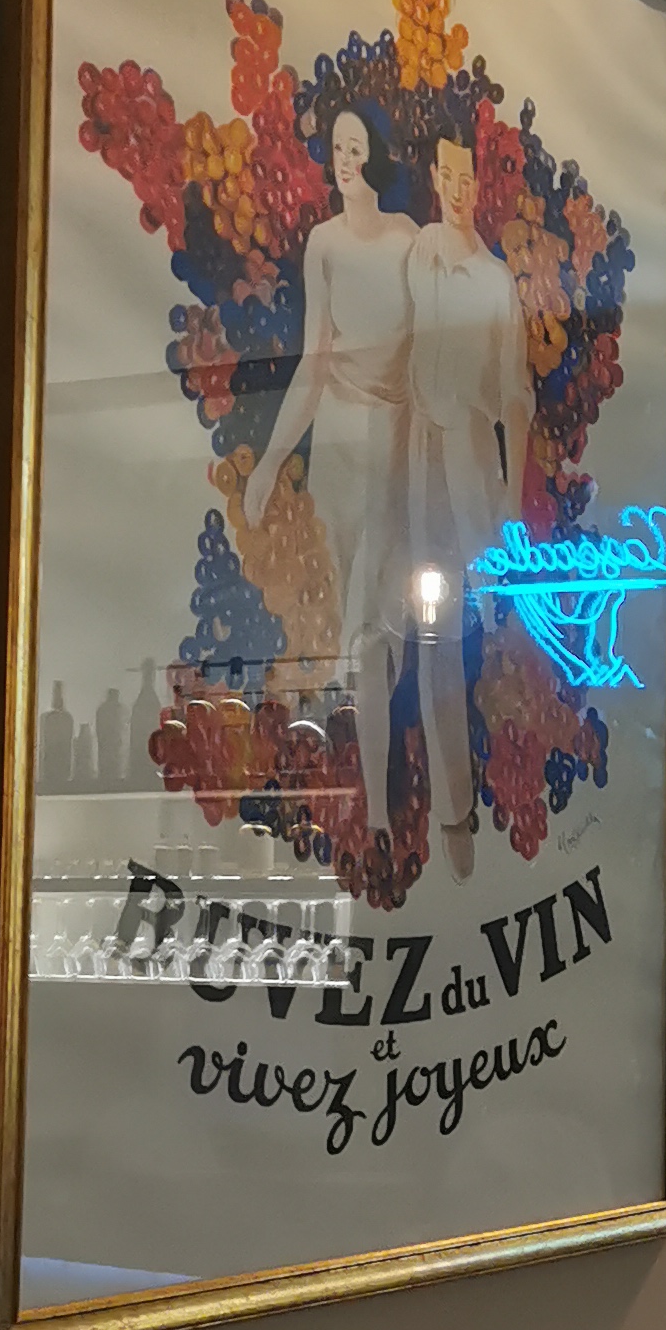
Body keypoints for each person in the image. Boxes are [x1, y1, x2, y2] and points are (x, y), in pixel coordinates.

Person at [242, 107, 415, 843]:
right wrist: (272, 462)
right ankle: (350, 805)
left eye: (356, 147)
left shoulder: (408, 240)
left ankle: (376, 807)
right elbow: (313, 365)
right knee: (345, 620)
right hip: (338, 446)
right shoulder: (324, 243)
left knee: (373, 626)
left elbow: (433, 354)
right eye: (337, 148)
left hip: (391, 441)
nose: (345, 159)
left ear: (375, 154)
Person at [406, 128, 532, 881]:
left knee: (482, 627)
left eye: (467, 176)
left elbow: (514, 394)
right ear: (434, 177)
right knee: (428, 633)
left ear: (478, 184)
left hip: (472, 462)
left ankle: (485, 796)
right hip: (417, 455)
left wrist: (511, 497)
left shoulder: (494, 282)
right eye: (446, 174)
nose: (457, 189)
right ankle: (449, 813)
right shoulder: (420, 251)